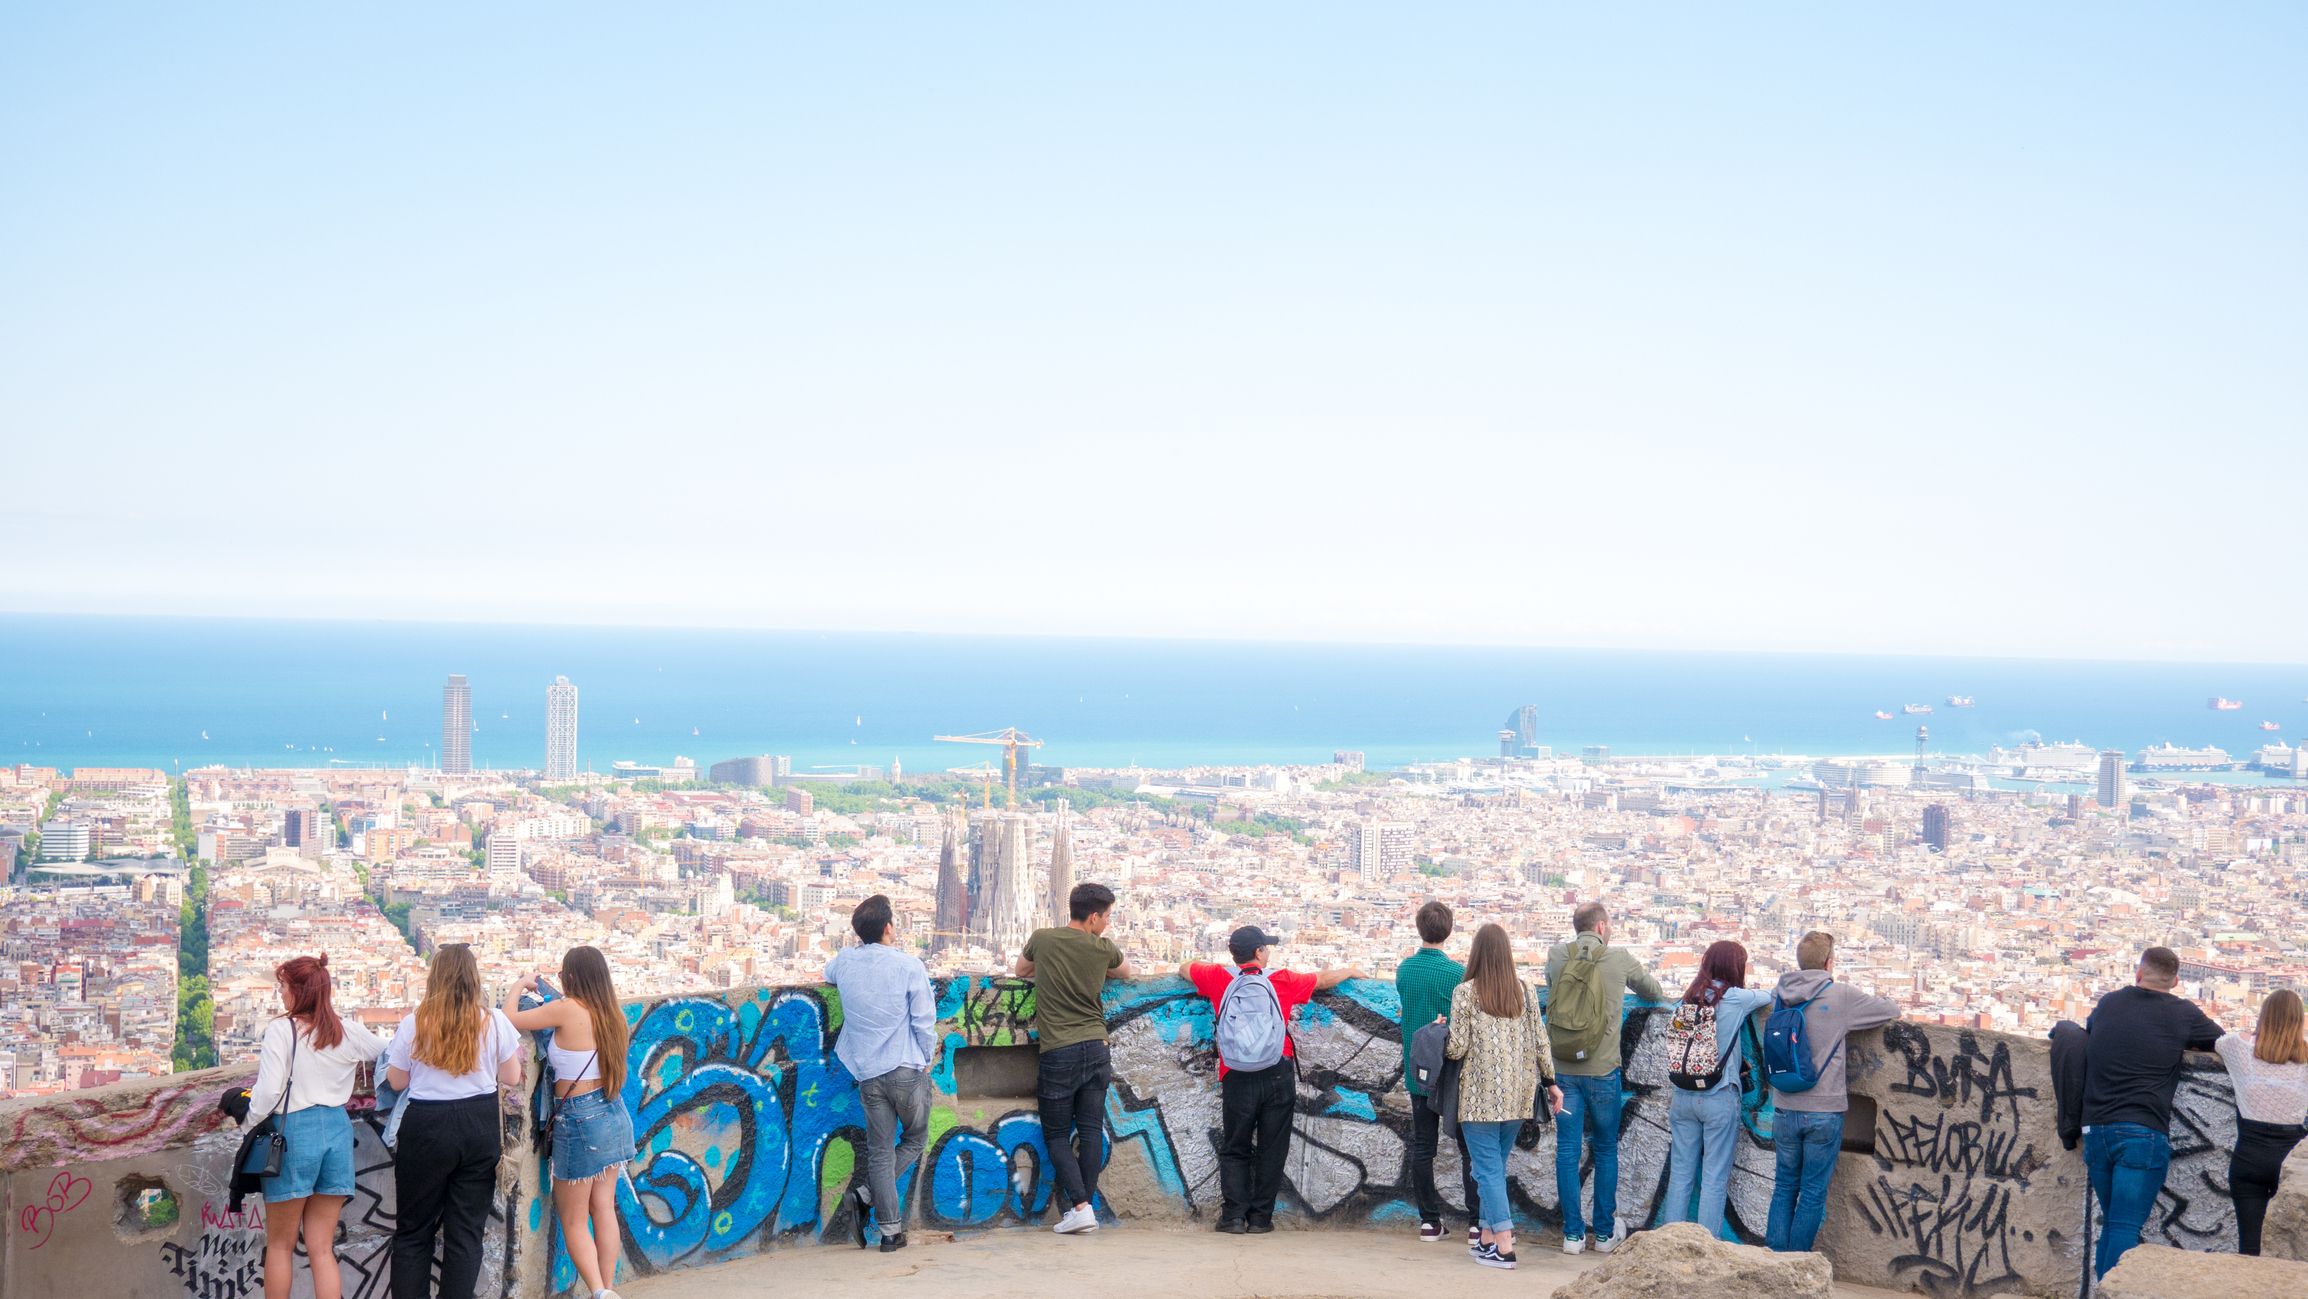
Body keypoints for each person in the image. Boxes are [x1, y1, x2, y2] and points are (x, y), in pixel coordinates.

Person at [1181, 926, 1358, 1234]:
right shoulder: (1281, 980)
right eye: (1266, 947)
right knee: (1272, 1148)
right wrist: (1352, 969)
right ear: (1260, 953)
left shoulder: (1219, 978)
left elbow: (1184, 969)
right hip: (1277, 1070)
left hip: (1235, 1073)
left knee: (1235, 1146)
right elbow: (1323, 980)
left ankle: (1234, 1217)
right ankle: (1261, 1218)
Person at [388, 943, 525, 1299]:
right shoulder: (493, 1021)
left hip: (426, 1126)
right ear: (473, 979)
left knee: (413, 1232)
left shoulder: (413, 1023)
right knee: (465, 1235)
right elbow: (511, 1076)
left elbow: (397, 1081)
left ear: (435, 978)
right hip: (478, 1125)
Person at [246, 954, 386, 1299]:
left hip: (293, 1132)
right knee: (322, 1248)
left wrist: (248, 1126)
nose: (280, 994)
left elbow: (267, 1092)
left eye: (283, 986)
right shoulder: (345, 1030)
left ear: (298, 990)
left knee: (280, 1245)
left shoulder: (282, 1030)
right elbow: (388, 1050)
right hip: (337, 1132)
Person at [2078, 945, 2221, 1278]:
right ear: (2174, 981)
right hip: (2141, 1133)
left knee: (2112, 1225)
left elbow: (2091, 1030)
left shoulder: (2109, 1002)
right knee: (2124, 1227)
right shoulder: (2183, 1013)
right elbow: (2221, 1042)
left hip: (2096, 1131)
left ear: (2139, 972)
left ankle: (2101, 1290)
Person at [502, 945, 635, 1299]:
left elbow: (510, 1019)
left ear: (572, 977)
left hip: (579, 1118)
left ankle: (598, 1292)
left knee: (574, 1218)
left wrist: (521, 984)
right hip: (612, 1112)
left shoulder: (565, 1009)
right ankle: (607, 1289)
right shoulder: (612, 1015)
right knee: (604, 1208)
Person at [1017, 881, 1142, 1236]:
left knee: (1056, 1134)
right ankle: (1084, 1208)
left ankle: (1081, 1208)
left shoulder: (1043, 938)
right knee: (1089, 1131)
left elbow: (1020, 971)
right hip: (1097, 1047)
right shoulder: (1102, 947)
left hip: (1060, 1051)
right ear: (1092, 917)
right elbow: (1126, 973)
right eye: (1107, 917)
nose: (1108, 924)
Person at [1764, 931, 1901, 1254]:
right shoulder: (1839, 996)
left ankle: (1771, 1262)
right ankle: (1796, 1265)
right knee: (1812, 1192)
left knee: (1784, 1187)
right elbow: (1889, 1011)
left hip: (1784, 1105)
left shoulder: (1779, 994)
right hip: (1824, 1109)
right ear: (1829, 963)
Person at [1542, 902, 1662, 1253]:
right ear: (1599, 926)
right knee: (1606, 1149)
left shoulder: (1556, 955)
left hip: (1563, 1071)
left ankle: (1572, 1235)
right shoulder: (1619, 958)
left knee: (1567, 1151)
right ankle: (1605, 1234)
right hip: (1603, 1073)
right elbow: (1653, 991)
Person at [824, 895, 938, 1253]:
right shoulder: (909, 966)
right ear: (889, 927)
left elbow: (826, 974)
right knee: (917, 1138)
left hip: (868, 1073)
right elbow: (923, 1020)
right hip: (905, 1067)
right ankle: (866, 1196)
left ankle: (890, 1233)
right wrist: (925, 1058)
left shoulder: (844, 962)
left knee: (879, 1152)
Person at [1446, 923, 1562, 1271]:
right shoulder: (1524, 991)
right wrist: (1552, 1082)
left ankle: (1505, 1245)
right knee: (1492, 1167)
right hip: (1518, 1097)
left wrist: (1439, 1031)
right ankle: (1485, 1238)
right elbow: (1541, 1040)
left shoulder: (1466, 993)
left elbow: (1457, 1048)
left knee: (1486, 1170)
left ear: (1477, 953)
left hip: (1480, 1097)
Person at [1661, 940, 1772, 1238]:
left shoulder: (1686, 999)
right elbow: (1771, 996)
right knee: (1713, 1178)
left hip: (1683, 1096)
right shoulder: (1735, 998)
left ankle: (1667, 1243)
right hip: (1718, 1095)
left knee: (1681, 1174)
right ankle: (1706, 1247)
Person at [1396, 900, 1480, 1244]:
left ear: (1420, 928)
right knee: (1469, 1149)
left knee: (1422, 1147)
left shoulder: (1404, 970)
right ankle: (1477, 1222)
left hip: (1419, 1071)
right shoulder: (1456, 974)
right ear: (1448, 930)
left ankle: (1429, 1221)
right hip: (1452, 1074)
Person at [2218, 989, 2308, 1256]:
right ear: (2298, 1022)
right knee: (2293, 1252)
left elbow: (2221, 1041)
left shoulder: (2238, 1050)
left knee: (2250, 1248)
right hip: (2290, 1161)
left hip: (2249, 1157)